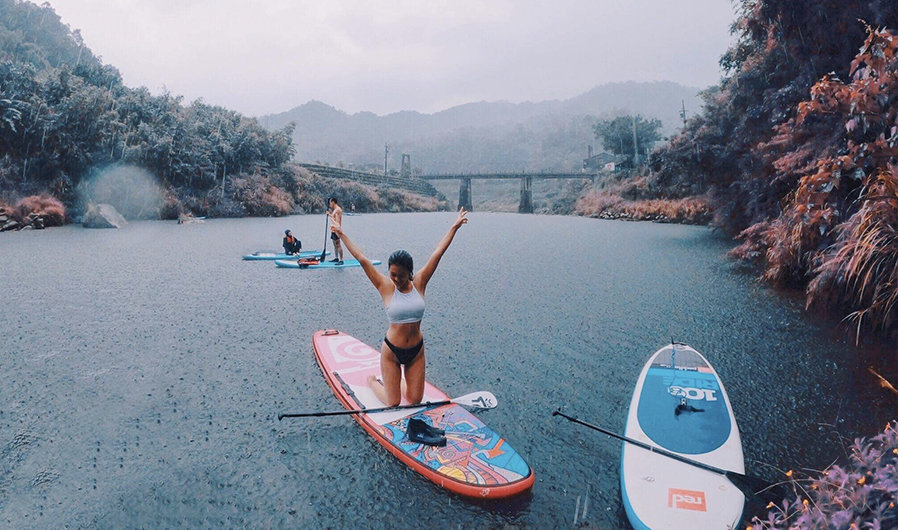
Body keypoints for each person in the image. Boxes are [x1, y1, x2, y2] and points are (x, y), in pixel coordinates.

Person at [330, 207, 468, 406]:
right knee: (393, 402)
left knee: (414, 399)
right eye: (392, 274)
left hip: (416, 352)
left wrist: (454, 227)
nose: (396, 279)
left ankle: (398, 381)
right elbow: (362, 258)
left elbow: (438, 253)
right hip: (392, 352)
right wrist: (341, 233)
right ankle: (374, 381)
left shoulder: (420, 282)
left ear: (410, 273)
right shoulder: (385, 286)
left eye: (400, 276)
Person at [327, 197, 344, 265]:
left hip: (336, 229)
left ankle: (341, 260)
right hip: (333, 229)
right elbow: (333, 217)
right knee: (335, 244)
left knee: (338, 244)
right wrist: (329, 215)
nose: (330, 204)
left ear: (333, 202)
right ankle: (336, 258)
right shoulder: (335, 210)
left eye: (330, 203)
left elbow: (337, 221)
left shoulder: (338, 210)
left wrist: (329, 215)